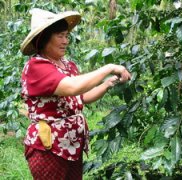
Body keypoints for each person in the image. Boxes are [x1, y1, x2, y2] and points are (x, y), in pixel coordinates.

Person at [20, 8, 131, 180]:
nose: (65, 41)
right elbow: (72, 87)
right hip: (49, 146)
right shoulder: (36, 67)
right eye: (60, 36)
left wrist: (108, 83)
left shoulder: (68, 65)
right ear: (43, 38)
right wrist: (109, 67)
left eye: (67, 35)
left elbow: (81, 97)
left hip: (71, 144)